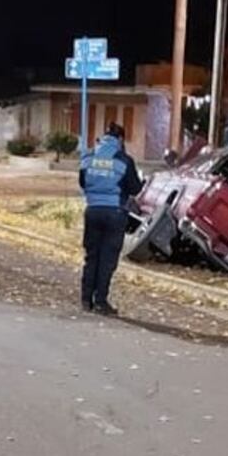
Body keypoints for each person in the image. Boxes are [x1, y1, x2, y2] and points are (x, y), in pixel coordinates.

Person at [79, 122, 143, 316]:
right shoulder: (124, 160)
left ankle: (85, 299)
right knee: (107, 260)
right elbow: (135, 189)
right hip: (114, 213)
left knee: (92, 256)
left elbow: (82, 182)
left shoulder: (88, 157)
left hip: (92, 211)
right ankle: (100, 301)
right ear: (121, 139)